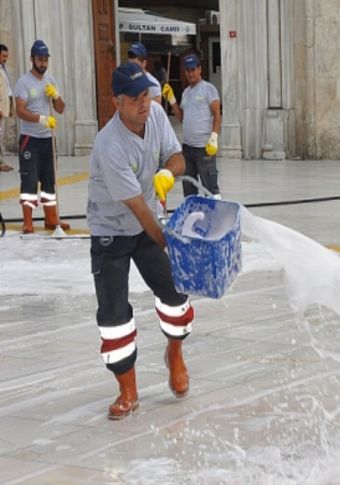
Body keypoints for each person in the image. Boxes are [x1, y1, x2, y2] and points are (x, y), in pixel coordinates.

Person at [87, 62, 194, 420]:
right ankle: (128, 389)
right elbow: (138, 211)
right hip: (112, 232)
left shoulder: (157, 114)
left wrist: (168, 172)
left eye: (146, 96)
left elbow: (177, 157)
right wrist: (171, 246)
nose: (144, 104)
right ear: (117, 103)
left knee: (176, 293)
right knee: (114, 315)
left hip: (146, 219)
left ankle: (174, 353)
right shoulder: (109, 144)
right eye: (134, 99)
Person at [13, 40, 68, 233]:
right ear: (32, 59)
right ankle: (27, 221)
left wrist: (56, 95)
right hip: (30, 138)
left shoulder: (50, 80)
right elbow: (19, 111)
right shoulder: (24, 82)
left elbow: (60, 109)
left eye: (45, 60)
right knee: (29, 178)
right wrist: (41, 119)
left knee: (49, 180)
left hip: (47, 139)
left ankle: (51, 218)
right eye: (39, 59)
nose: (43, 63)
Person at [162, 53, 222, 198]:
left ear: (199, 69)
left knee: (210, 188)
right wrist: (171, 100)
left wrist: (214, 136)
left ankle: (215, 217)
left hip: (204, 149)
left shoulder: (209, 89)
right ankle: (192, 216)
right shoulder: (186, 93)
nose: (190, 73)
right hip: (188, 149)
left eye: (193, 69)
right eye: (187, 70)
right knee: (189, 190)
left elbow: (217, 114)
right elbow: (182, 117)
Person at [0, 44, 14, 172]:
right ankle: (1, 162)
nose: (5, 59)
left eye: (6, 56)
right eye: (3, 56)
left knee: (3, 136)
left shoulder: (3, 69)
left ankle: (2, 161)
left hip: (6, 106)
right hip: (0, 108)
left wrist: (10, 107)